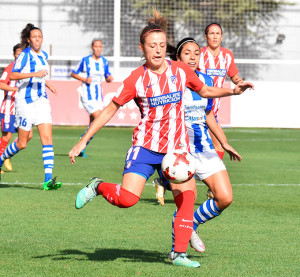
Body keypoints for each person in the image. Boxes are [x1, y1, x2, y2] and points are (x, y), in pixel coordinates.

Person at [69, 10, 253, 268]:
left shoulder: (179, 71)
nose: (157, 50)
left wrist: (233, 90)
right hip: (145, 146)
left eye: (161, 46)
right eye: (151, 46)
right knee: (127, 199)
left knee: (187, 198)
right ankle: (97, 186)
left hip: (176, 150)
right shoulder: (136, 78)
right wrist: (83, 140)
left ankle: (177, 254)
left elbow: (206, 90)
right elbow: (110, 109)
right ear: (141, 48)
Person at [158, 37, 243, 257]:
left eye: (196, 52)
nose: (193, 56)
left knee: (225, 198)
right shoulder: (169, 80)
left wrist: (224, 142)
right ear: (177, 57)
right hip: (180, 153)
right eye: (187, 52)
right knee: (186, 202)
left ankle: (192, 224)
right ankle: (179, 252)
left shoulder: (204, 81)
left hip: (204, 148)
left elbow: (208, 115)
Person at [0, 23, 62, 190]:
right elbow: (13, 74)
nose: (37, 39)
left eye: (39, 37)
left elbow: (40, 75)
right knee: (22, 143)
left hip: (41, 100)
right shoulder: (25, 55)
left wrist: (48, 85)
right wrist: (34, 74)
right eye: (34, 37)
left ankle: (48, 180)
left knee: (47, 139)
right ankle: (1, 160)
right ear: (29, 39)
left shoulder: (43, 56)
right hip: (25, 101)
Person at [199, 22, 244, 199]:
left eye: (218, 33)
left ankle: (165, 181)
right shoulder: (199, 55)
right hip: (200, 107)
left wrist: (241, 83)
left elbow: (234, 76)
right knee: (217, 145)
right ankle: (213, 185)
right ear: (206, 37)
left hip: (214, 110)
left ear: (222, 37)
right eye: (211, 33)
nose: (215, 36)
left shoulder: (227, 55)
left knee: (213, 146)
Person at [71, 39, 113, 157]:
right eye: (96, 46)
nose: (98, 49)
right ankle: (83, 139)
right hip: (87, 95)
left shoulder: (104, 62)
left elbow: (107, 75)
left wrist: (109, 78)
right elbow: (73, 73)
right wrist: (84, 79)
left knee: (94, 124)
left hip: (98, 96)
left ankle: (81, 148)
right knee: (99, 118)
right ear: (92, 48)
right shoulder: (85, 61)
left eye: (100, 46)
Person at [0, 44, 22, 173]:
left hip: (21, 107)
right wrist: (15, 89)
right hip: (9, 107)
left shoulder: (25, 69)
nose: (19, 56)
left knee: (26, 135)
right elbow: (1, 84)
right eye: (17, 53)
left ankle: (8, 154)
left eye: (21, 54)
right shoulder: (10, 68)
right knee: (7, 137)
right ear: (14, 55)